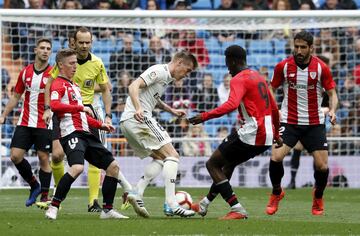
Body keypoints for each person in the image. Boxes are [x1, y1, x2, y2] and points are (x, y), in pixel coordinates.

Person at [42, 27, 132, 212]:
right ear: (73, 42)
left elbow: (106, 88)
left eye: (87, 42)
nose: (84, 45)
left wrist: (106, 115)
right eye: (81, 42)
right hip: (66, 112)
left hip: (87, 113)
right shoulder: (64, 62)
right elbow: (50, 85)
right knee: (58, 155)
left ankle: (93, 201)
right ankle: (58, 193)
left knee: (96, 158)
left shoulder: (97, 63)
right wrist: (47, 108)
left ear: (92, 42)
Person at [188, 45, 281, 220]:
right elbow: (274, 107)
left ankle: (237, 208)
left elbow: (231, 104)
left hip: (253, 131)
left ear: (232, 60)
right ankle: (204, 204)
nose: (227, 68)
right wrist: (276, 135)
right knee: (227, 166)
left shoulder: (239, 79)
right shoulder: (258, 77)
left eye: (227, 63)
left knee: (212, 164)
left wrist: (204, 116)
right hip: (267, 134)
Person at [266, 31, 338, 216]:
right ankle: (276, 192)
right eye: (296, 46)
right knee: (275, 158)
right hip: (289, 121)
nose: (298, 50)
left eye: (303, 47)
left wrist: (333, 110)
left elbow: (332, 94)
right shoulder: (283, 66)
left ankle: (318, 196)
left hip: (314, 123)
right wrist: (272, 109)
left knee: (322, 166)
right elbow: (271, 89)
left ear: (311, 48)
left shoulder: (321, 68)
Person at [120, 50, 198, 217]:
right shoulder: (159, 71)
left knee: (160, 158)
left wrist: (171, 110)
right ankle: (172, 203)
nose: (187, 75)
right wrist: (139, 108)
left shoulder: (165, 78)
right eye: (188, 70)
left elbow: (153, 98)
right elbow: (133, 86)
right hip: (138, 118)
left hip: (128, 121)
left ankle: (137, 193)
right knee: (173, 156)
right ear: (178, 63)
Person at [0, 38, 53, 207]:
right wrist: (3, 115)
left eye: (48, 48)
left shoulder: (54, 74)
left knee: (43, 157)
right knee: (15, 156)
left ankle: (45, 197)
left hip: (44, 123)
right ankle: (34, 185)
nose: (45, 51)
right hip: (25, 120)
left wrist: (50, 109)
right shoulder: (25, 72)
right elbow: (16, 96)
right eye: (42, 48)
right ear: (36, 50)